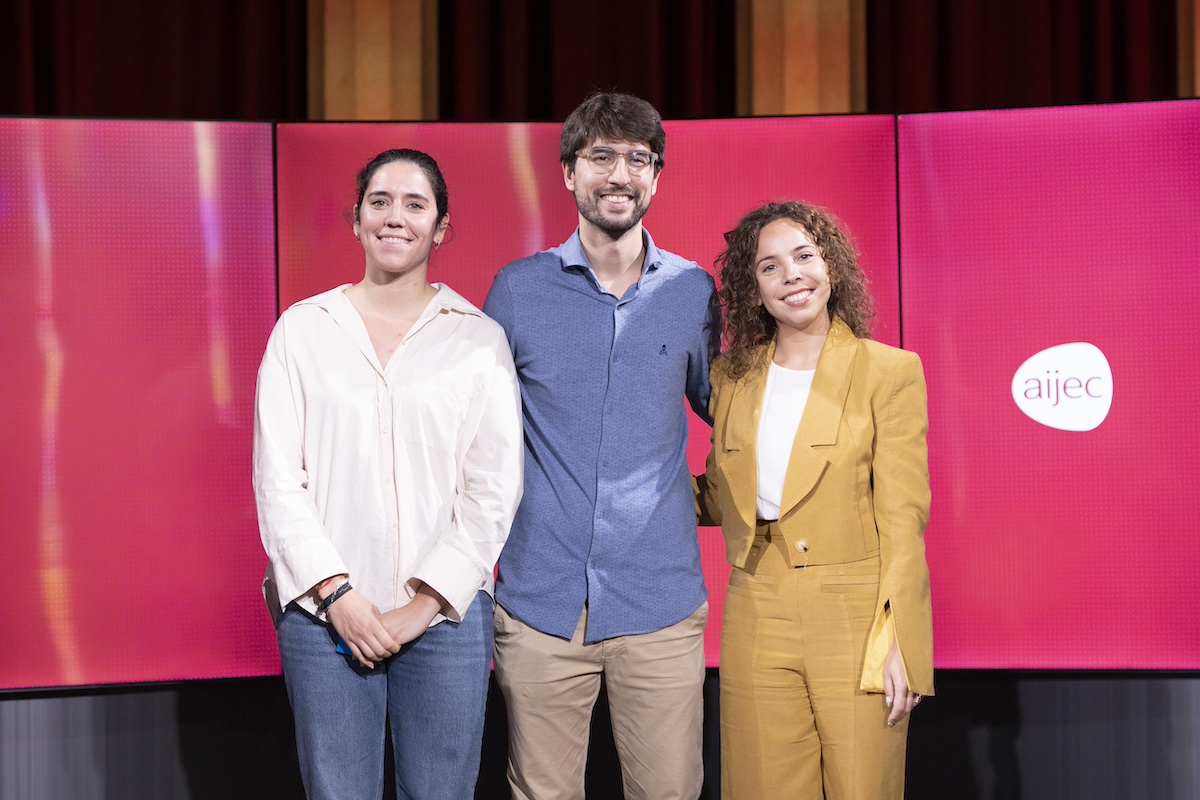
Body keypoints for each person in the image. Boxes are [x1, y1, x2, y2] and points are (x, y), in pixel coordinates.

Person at [253, 148, 523, 800]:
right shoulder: (303, 331)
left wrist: (423, 605)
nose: (394, 217)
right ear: (357, 221)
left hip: (444, 620)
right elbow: (278, 482)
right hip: (324, 618)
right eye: (379, 201)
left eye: (414, 204)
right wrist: (339, 596)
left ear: (441, 225)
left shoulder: (477, 338)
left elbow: (492, 487)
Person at [483, 92, 720, 799]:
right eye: (602, 157)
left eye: (637, 160)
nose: (620, 175)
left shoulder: (694, 292)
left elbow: (734, 418)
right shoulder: (518, 291)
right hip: (539, 604)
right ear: (568, 172)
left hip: (660, 604)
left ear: (657, 177)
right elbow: (474, 432)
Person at [696, 201, 933, 799]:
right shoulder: (732, 376)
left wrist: (900, 639)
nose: (791, 276)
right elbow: (721, 498)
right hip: (755, 604)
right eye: (769, 267)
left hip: (854, 614)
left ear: (832, 266)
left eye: (804, 256)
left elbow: (903, 521)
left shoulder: (890, 371)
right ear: (754, 288)